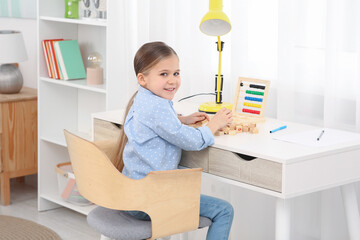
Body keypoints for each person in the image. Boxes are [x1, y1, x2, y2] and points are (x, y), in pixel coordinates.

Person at [113, 41, 234, 240]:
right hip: (151, 200)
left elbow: (155, 124)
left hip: (132, 194)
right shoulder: (158, 106)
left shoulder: (142, 98)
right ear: (142, 79)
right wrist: (215, 124)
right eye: (164, 74)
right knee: (224, 211)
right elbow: (193, 142)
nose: (172, 81)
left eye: (176, 73)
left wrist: (181, 120)